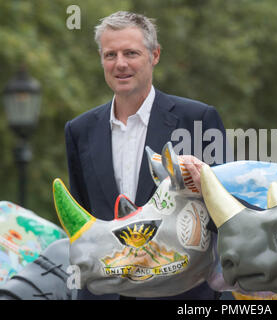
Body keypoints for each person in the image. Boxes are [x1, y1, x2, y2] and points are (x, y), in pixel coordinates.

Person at [64, 11, 226, 300]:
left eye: (131, 53)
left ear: (155, 55)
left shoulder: (198, 120)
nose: (120, 64)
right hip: (105, 293)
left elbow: (224, 214)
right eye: (110, 54)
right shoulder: (79, 131)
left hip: (182, 294)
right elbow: (84, 225)